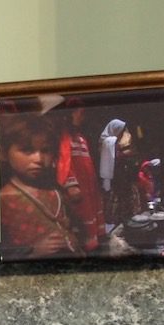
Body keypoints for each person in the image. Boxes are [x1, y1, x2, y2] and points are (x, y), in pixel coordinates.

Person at [0, 114, 81, 259]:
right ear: (3, 154)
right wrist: (32, 253)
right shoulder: (3, 200)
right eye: (27, 150)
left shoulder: (55, 191)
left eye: (45, 150)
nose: (39, 159)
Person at [55, 103, 105, 252]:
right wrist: (70, 184)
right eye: (80, 113)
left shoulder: (81, 137)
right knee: (80, 216)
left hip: (88, 183)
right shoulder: (63, 136)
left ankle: (93, 243)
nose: (83, 117)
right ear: (70, 113)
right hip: (77, 185)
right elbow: (62, 161)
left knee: (90, 210)